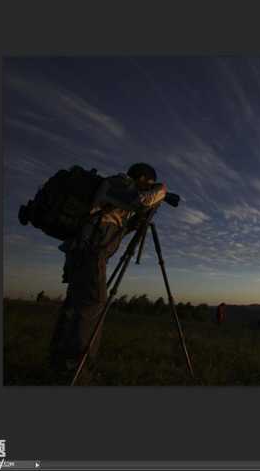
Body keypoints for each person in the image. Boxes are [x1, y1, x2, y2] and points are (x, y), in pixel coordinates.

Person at [49, 162, 168, 380]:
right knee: (92, 305)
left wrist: (140, 219)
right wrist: (162, 190)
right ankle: (76, 370)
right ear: (141, 178)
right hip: (90, 253)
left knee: (75, 307)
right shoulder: (120, 183)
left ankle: (57, 363)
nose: (148, 188)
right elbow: (141, 201)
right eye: (148, 184)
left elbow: (120, 228)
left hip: (85, 252)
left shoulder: (118, 198)